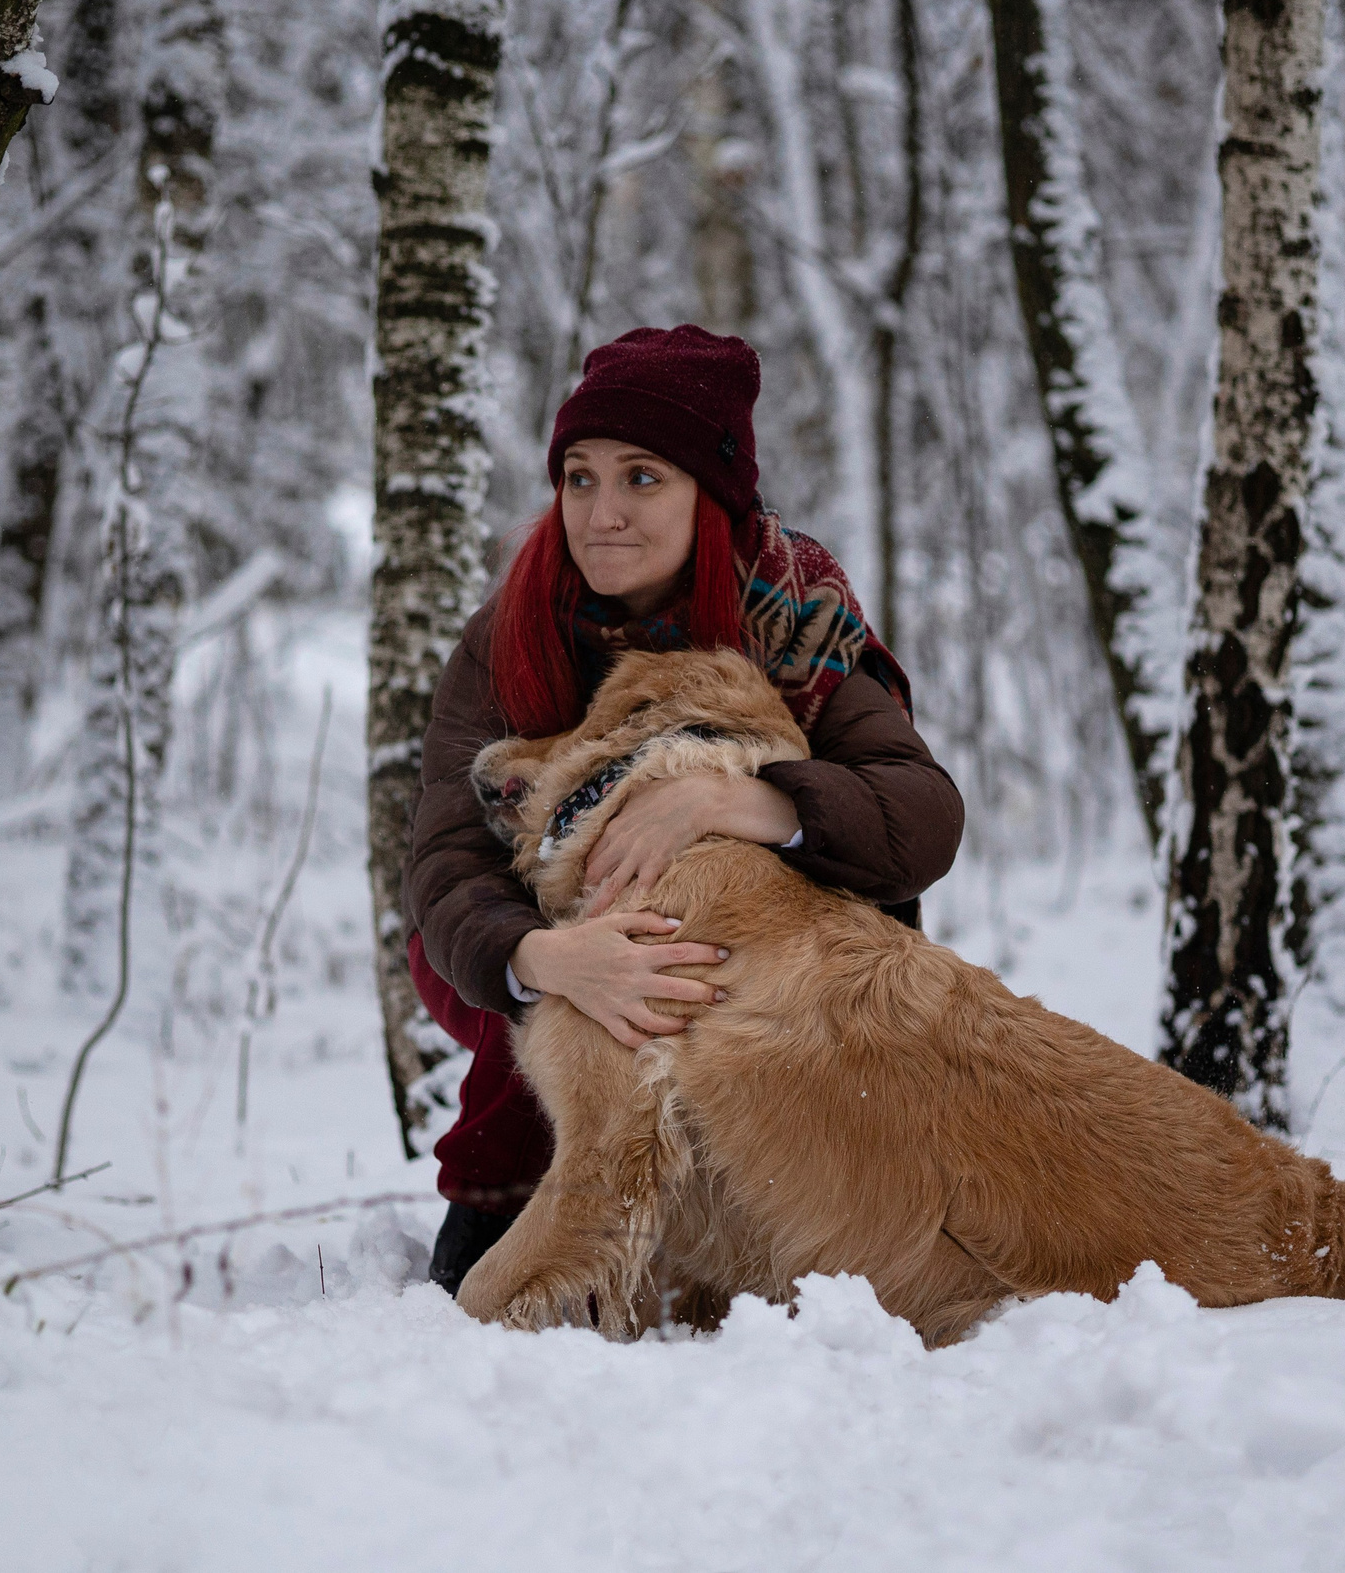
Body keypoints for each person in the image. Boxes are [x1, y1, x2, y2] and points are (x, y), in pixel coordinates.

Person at [402, 324, 966, 1294]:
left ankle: (746, 1200)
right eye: (579, 478)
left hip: (749, 950)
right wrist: (546, 960)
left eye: (642, 479)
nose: (602, 513)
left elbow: (922, 819)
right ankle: (506, 1199)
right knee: (564, 978)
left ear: (711, 496)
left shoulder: (789, 615)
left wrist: (738, 799)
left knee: (695, 950)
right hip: (538, 950)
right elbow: (444, 864)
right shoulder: (512, 626)